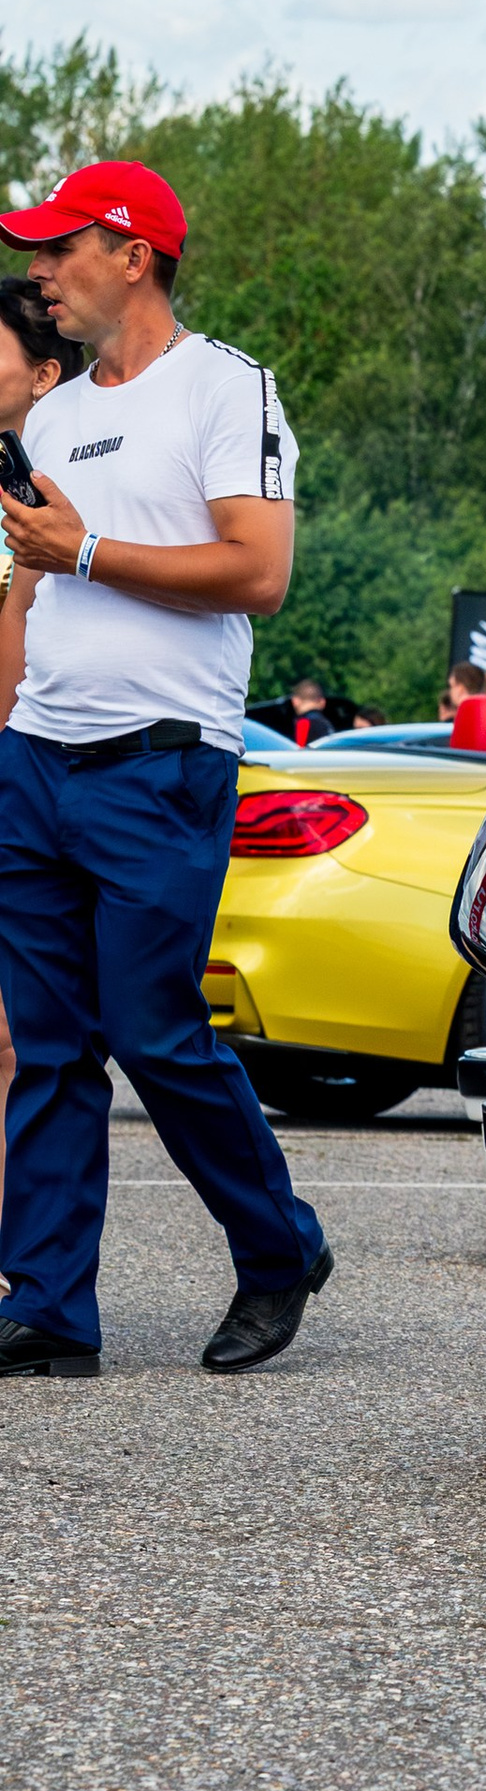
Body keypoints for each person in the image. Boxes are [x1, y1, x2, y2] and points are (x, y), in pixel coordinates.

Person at [0, 161, 331, 1379]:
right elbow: (33, 585)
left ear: (134, 252)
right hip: (37, 756)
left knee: (156, 1030)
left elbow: (258, 573)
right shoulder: (50, 412)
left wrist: (82, 545)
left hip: (158, 763)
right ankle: (47, 1306)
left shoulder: (225, 386)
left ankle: (276, 1249)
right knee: (47, 1042)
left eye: (57, 248)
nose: (39, 271)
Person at [0, 278, 80, 1237]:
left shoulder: (45, 501)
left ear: (44, 376)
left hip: (26, 762)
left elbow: (19, 629)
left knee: (18, 1036)